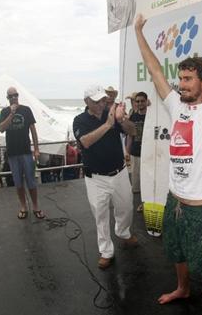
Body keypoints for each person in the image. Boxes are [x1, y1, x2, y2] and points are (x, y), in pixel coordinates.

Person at [134, 0, 202, 315]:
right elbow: (156, 70)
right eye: (181, 78)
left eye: (188, 79)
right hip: (174, 198)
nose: (181, 84)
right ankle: (182, 288)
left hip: (199, 205)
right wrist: (138, 32)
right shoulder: (177, 105)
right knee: (175, 251)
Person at [73, 84, 138, 270]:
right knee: (100, 215)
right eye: (97, 101)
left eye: (103, 100)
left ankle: (123, 232)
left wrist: (121, 120)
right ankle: (106, 251)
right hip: (96, 178)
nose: (102, 104)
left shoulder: (111, 114)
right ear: (86, 102)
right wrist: (108, 125)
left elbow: (133, 131)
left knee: (126, 207)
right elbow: (85, 141)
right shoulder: (80, 120)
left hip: (119, 172)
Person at [0, 87, 44, 220]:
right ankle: (23, 206)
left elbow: (33, 130)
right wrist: (11, 114)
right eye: (10, 96)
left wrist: (36, 149)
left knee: (31, 181)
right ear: (7, 98)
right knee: (18, 182)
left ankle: (35, 206)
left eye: (15, 95)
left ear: (18, 96)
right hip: (12, 153)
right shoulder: (4, 111)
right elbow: (1, 129)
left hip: (25, 152)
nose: (13, 98)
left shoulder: (26, 110)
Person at [125, 91, 147, 211]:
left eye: (142, 101)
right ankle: (139, 203)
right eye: (137, 101)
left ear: (146, 101)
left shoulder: (152, 116)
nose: (139, 103)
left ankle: (144, 204)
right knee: (136, 183)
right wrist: (127, 151)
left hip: (148, 155)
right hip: (135, 154)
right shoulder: (133, 116)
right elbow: (130, 136)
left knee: (146, 182)